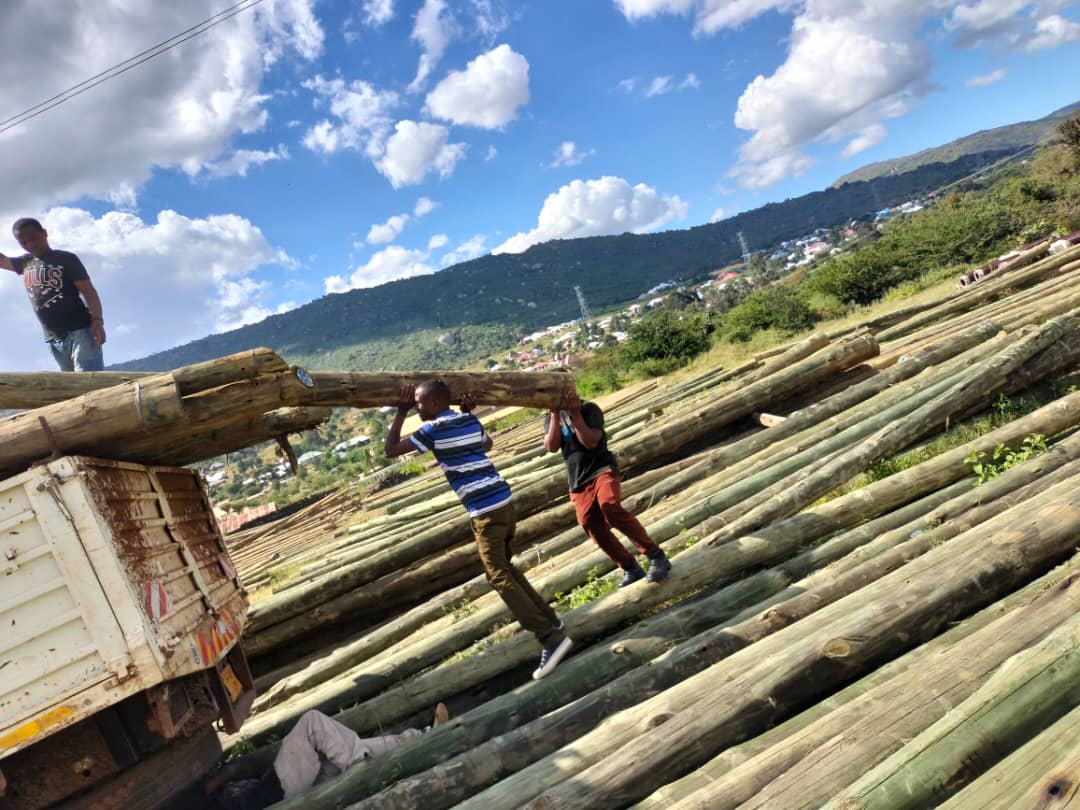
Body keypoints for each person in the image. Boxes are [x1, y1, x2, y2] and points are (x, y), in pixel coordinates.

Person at [384, 380, 573, 680]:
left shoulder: (432, 430)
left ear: (435, 403)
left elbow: (390, 450)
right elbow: (487, 445)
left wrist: (400, 411)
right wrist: (467, 415)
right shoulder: (468, 420)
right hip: (503, 500)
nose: (416, 407)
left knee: (497, 575)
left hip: (485, 510)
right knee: (505, 568)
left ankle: (550, 638)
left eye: (419, 402)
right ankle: (551, 621)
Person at [205, 704, 449, 809]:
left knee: (345, 752)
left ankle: (423, 739)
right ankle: (359, 768)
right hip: (281, 790)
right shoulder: (204, 799)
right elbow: (212, 786)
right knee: (312, 723)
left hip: (291, 788)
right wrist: (221, 775)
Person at [544, 389, 671, 587]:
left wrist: (575, 413)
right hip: (578, 480)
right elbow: (551, 446)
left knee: (609, 506)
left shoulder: (588, 408)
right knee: (589, 523)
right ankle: (630, 567)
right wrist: (554, 413)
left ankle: (656, 556)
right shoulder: (551, 417)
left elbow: (591, 442)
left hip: (601, 469)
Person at [0, 217, 106, 371]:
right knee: (67, 384)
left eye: (34, 239)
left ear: (44, 233)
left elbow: (88, 291)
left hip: (80, 331)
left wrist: (97, 321)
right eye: (23, 243)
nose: (30, 245)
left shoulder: (65, 259)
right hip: (54, 338)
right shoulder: (25, 263)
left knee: (87, 379)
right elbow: (2, 261)